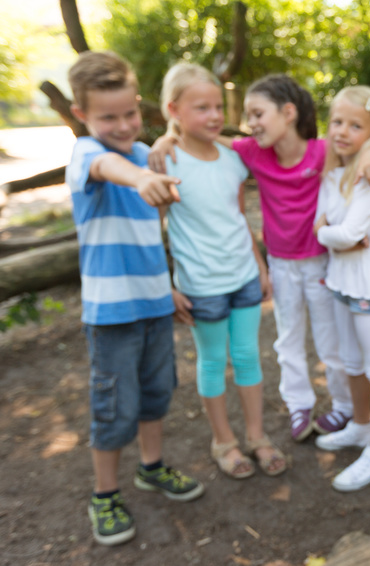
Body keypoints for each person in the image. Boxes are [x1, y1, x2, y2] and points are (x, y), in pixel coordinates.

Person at [150, 74, 370, 443]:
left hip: (321, 264)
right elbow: (207, 139)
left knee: (331, 342)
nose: (251, 123)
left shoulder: (321, 152)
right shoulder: (251, 152)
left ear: (288, 112)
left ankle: (342, 405)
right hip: (281, 263)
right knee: (288, 338)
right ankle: (299, 404)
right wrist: (169, 136)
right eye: (248, 116)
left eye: (258, 113)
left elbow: (366, 146)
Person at [66, 51, 204, 547]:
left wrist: (166, 288)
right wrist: (141, 175)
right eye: (109, 116)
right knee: (112, 406)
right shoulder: (86, 154)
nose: (123, 125)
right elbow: (105, 165)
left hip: (153, 305)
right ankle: (104, 493)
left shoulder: (145, 151)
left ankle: (152, 467)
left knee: (155, 393)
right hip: (111, 315)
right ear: (82, 115)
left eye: (129, 113)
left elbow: (148, 241)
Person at [158, 62, 286, 479]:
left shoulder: (233, 158)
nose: (214, 116)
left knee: (249, 355)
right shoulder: (164, 160)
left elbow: (236, 215)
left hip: (244, 276)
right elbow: (152, 228)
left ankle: (257, 437)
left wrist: (259, 262)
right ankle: (223, 442)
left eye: (217, 106)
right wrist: (166, 284)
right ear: (174, 109)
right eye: (201, 108)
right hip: (201, 285)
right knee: (213, 361)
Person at [312, 86, 370, 491]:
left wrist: (339, 235)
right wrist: (340, 237)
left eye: (355, 125)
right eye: (337, 122)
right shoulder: (334, 174)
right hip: (341, 278)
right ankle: (360, 425)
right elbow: (324, 230)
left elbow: (347, 231)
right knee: (351, 360)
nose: (343, 131)